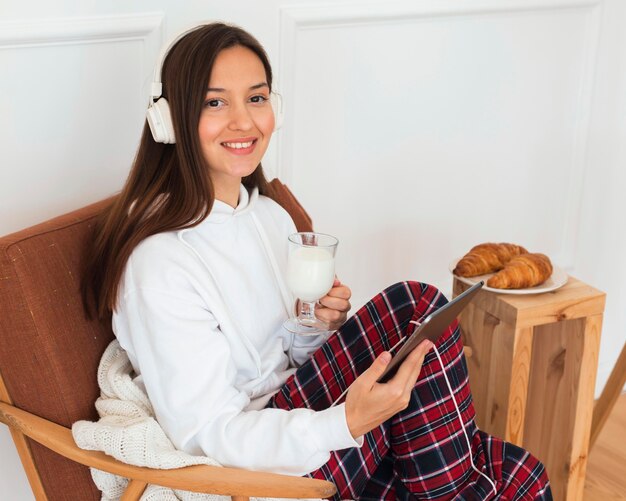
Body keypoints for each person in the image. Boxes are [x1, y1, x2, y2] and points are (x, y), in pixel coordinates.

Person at [82, 22, 552, 500]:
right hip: (261, 469)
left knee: (522, 473)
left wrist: (316, 329)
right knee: (414, 303)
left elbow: (286, 361)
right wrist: (343, 422)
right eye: (215, 102)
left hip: (305, 421)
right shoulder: (159, 262)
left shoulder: (270, 215)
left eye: (257, 98)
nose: (243, 121)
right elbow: (207, 433)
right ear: (169, 120)